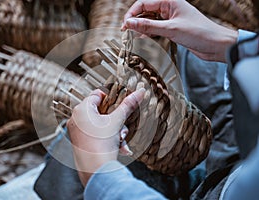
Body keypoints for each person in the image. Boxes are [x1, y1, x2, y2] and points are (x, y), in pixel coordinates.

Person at [67, 0, 259, 199]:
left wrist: (98, 171)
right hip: (244, 155)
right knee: (189, 55)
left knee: (72, 149)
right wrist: (229, 42)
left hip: (227, 188)